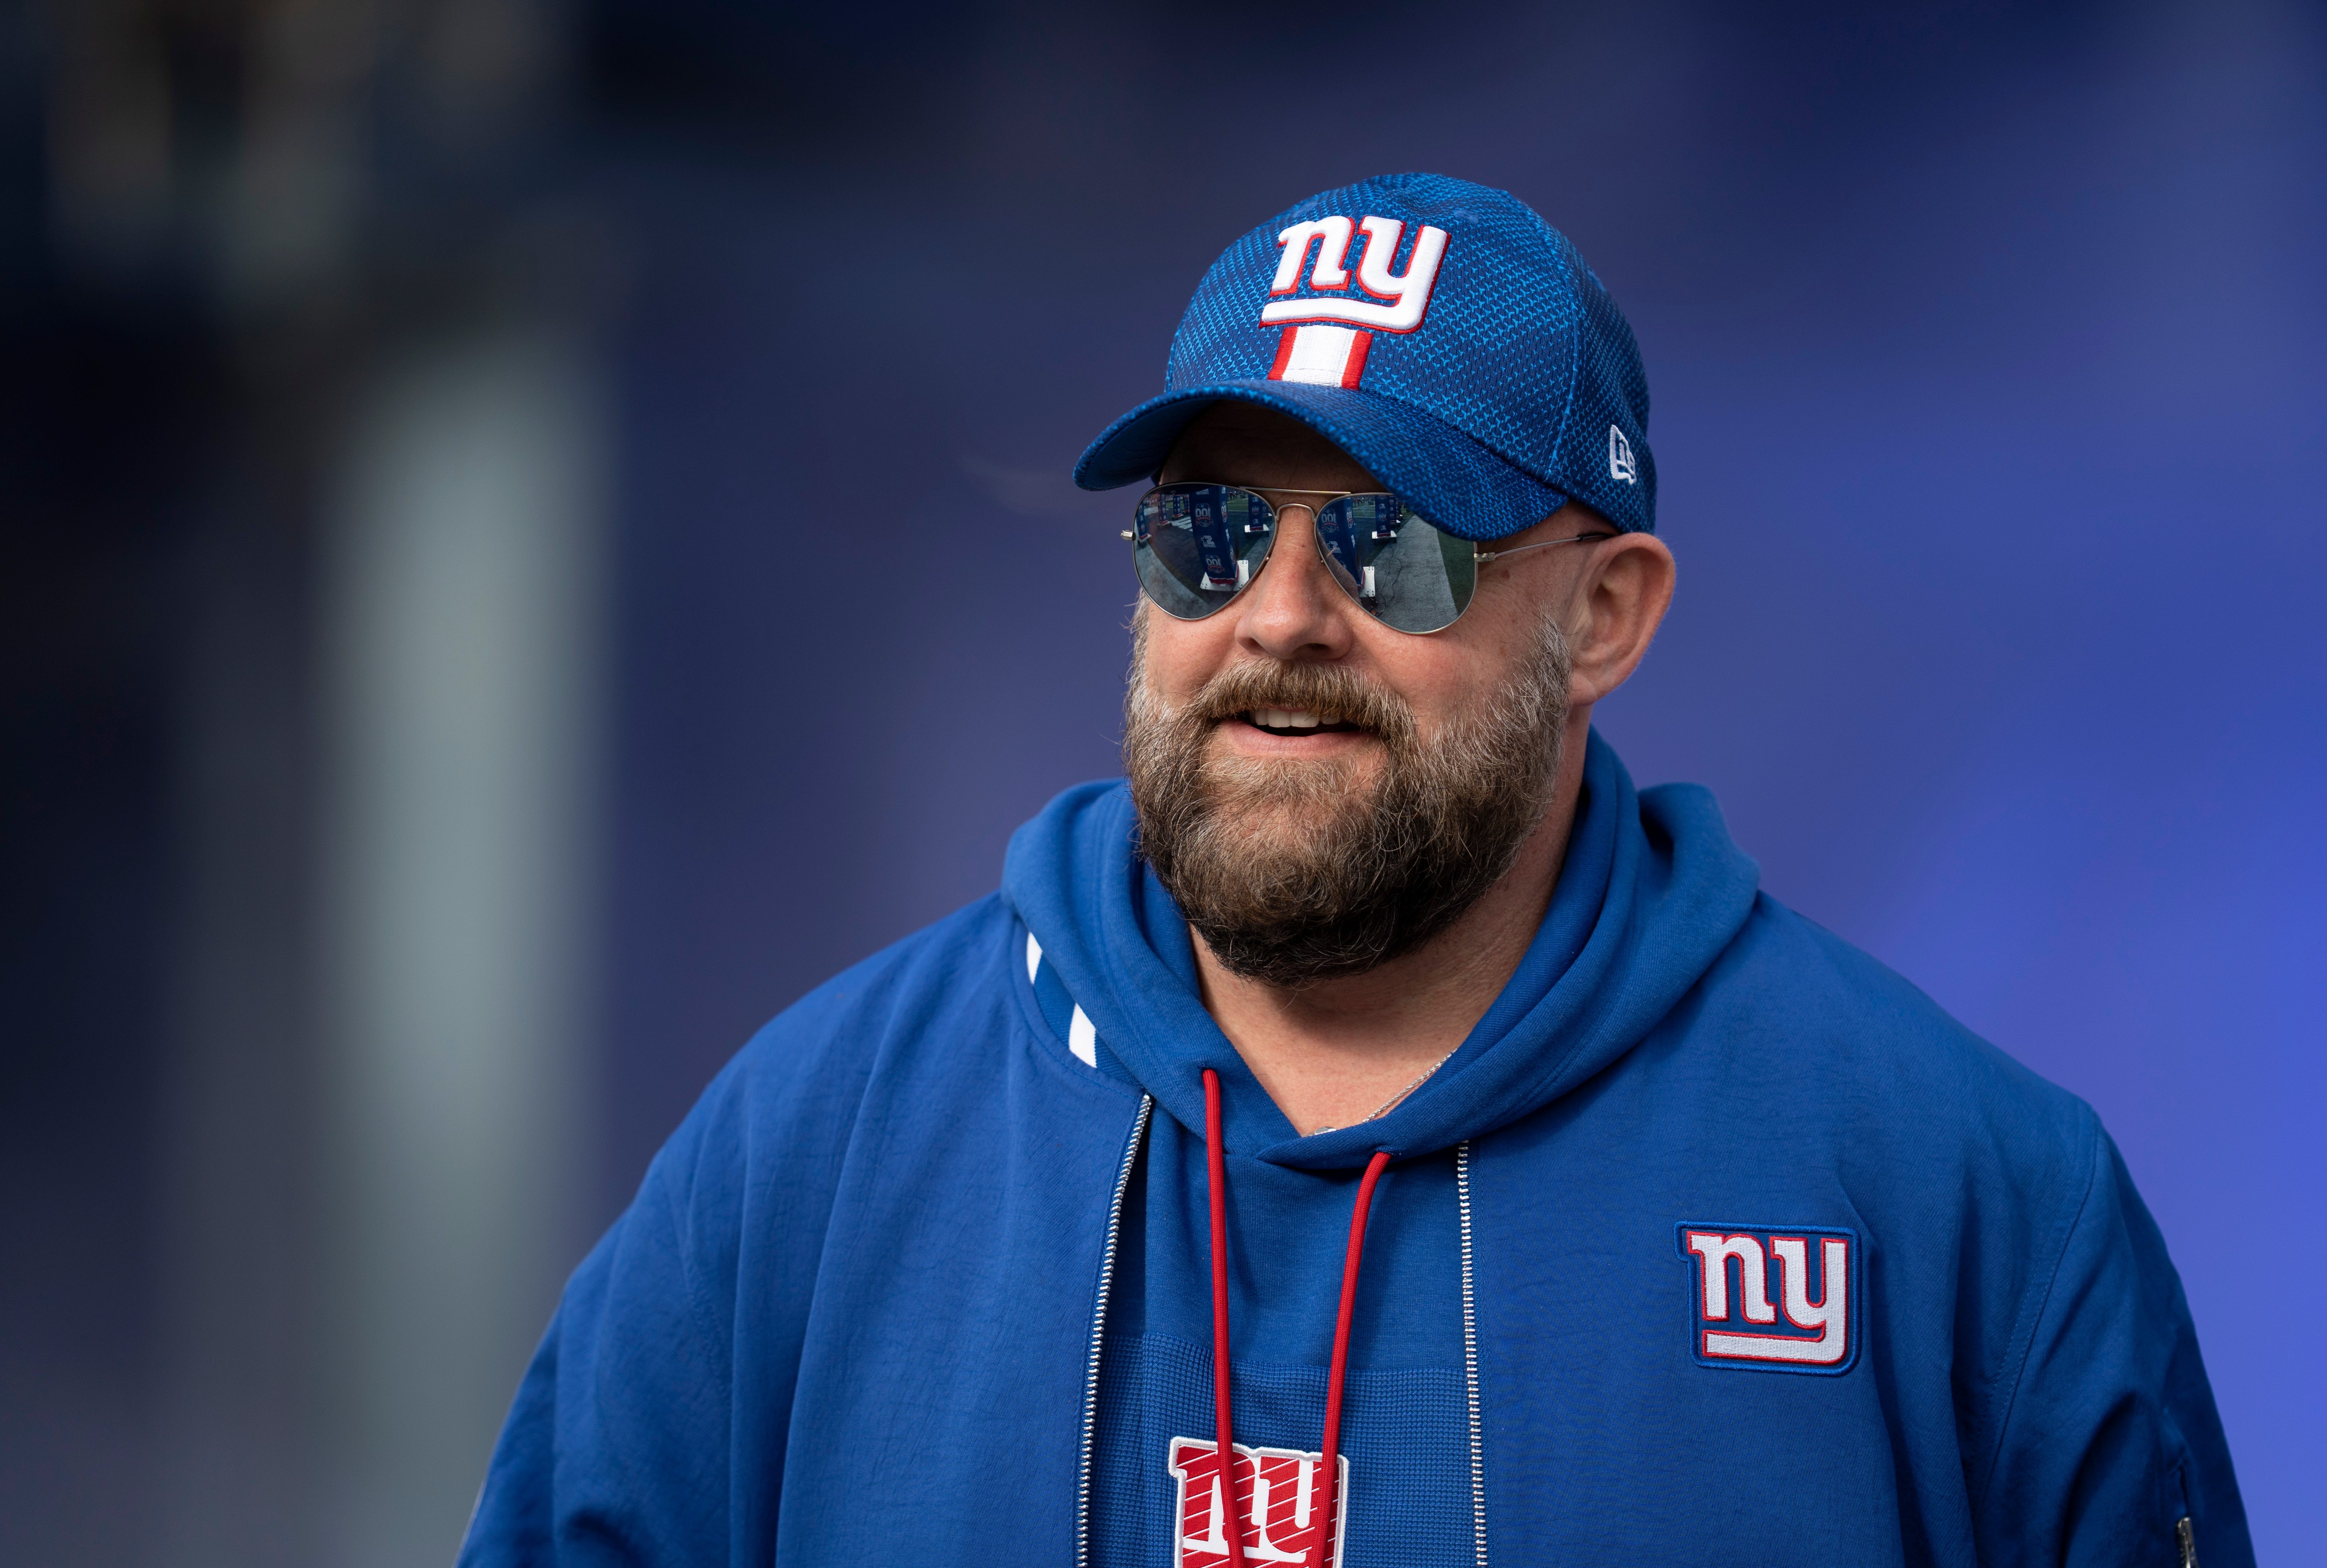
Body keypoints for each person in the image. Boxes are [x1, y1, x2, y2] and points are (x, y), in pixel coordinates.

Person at [459, 173, 2248, 1568]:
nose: (1281, 618)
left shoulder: (1958, 1204)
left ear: (1607, 615)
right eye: (1210, 532)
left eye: (1391, 545)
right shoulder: (811, 1154)